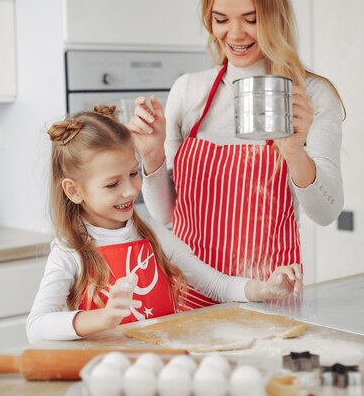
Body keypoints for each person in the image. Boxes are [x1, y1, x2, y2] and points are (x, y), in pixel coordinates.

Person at [128, 0, 345, 310]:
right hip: (190, 293)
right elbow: (167, 215)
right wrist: (152, 155)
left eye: (252, 18)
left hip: (270, 295)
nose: (235, 34)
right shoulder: (188, 91)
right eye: (221, 19)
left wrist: (293, 151)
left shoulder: (310, 95)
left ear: (276, 17)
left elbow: (327, 212)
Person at [26, 105, 301, 343]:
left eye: (133, 174)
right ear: (73, 190)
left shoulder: (151, 233)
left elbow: (214, 283)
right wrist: (103, 318)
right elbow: (36, 326)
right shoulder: (70, 251)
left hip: (163, 367)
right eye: (112, 184)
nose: (130, 191)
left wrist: (265, 288)